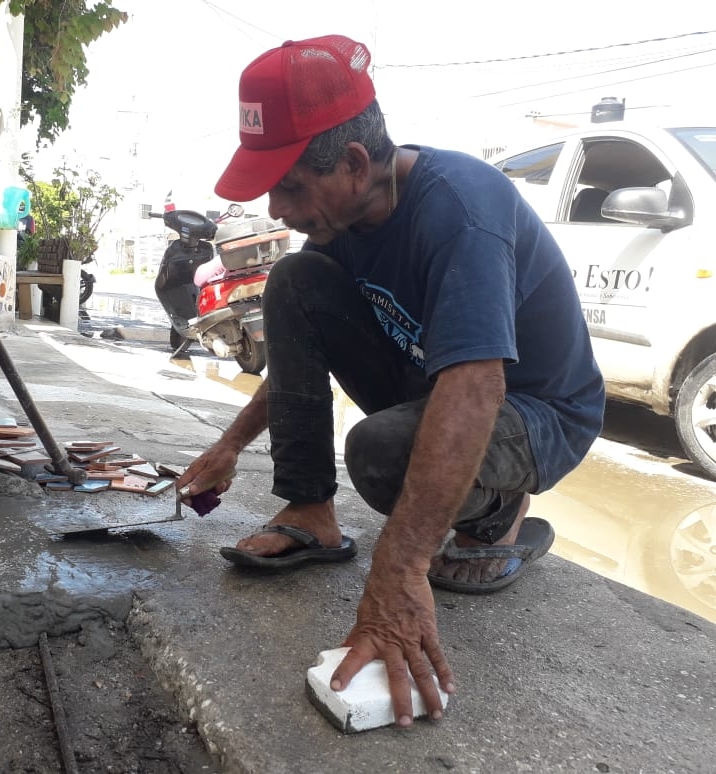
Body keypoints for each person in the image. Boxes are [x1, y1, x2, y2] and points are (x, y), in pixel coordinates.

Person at [175, 35, 605, 727]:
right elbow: (298, 352)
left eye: (289, 184)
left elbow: (475, 388)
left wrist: (399, 573)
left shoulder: (458, 210)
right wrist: (230, 444)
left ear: (351, 162)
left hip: (535, 412)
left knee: (380, 453)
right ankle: (309, 511)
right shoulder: (342, 222)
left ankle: (498, 513)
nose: (277, 207)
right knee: (294, 279)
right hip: (433, 384)